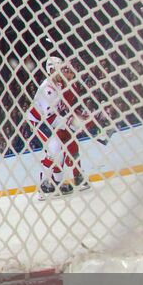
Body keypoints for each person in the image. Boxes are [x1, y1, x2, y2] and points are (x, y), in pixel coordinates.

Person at [26, 55, 113, 200]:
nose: (63, 71)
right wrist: (72, 123)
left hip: (51, 120)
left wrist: (75, 120)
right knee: (54, 150)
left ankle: (62, 182)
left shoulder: (59, 85)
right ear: (52, 70)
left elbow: (63, 108)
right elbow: (50, 117)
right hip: (39, 123)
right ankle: (45, 185)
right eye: (61, 69)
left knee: (65, 145)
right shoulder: (47, 89)